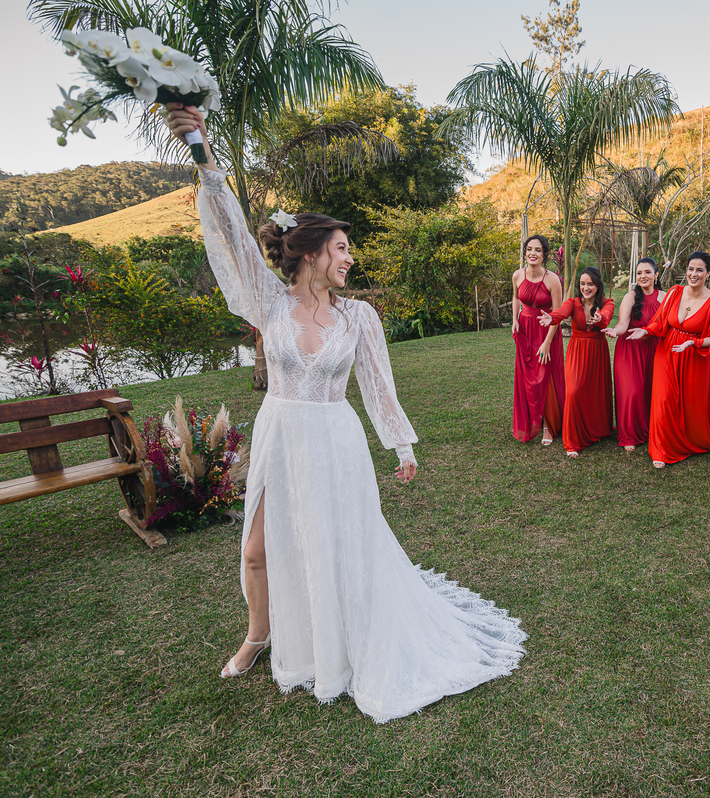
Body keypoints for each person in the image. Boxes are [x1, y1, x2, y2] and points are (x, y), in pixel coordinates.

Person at [164, 105, 526, 723]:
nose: (350, 258)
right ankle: (259, 634)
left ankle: (344, 642)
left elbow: (378, 386)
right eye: (341, 248)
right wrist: (200, 145)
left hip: (335, 439)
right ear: (310, 254)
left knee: (337, 548)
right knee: (257, 550)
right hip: (281, 436)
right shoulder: (268, 301)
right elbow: (231, 231)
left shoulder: (358, 317)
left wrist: (401, 444)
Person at [625, 251, 710, 468]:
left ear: (708, 273)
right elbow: (660, 321)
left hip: (693, 359)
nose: (694, 274)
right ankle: (661, 450)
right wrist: (646, 331)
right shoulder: (674, 292)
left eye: (699, 270)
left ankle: (687, 440)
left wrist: (693, 343)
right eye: (690, 269)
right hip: (667, 352)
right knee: (663, 400)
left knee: (688, 405)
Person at [541, 266, 616, 456]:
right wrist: (551, 317)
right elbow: (562, 312)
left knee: (595, 391)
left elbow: (606, 317)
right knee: (574, 391)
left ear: (598, 285)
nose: (586, 288)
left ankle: (596, 429)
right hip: (577, 351)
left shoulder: (607, 303)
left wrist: (599, 318)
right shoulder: (573, 302)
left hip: (598, 351)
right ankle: (573, 441)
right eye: (582, 284)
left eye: (590, 284)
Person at [604, 258, 666, 452]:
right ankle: (629, 434)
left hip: (655, 349)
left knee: (651, 391)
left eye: (647, 272)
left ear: (656, 275)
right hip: (630, 349)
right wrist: (615, 330)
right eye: (639, 273)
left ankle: (650, 428)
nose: (643, 276)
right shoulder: (630, 297)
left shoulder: (665, 297)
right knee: (632, 392)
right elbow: (623, 323)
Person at [511, 235, 565, 445]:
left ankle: (548, 426)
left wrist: (547, 342)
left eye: (538, 250)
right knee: (527, 377)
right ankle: (529, 420)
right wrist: (515, 319)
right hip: (525, 331)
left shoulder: (552, 280)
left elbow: (558, 314)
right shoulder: (517, 275)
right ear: (525, 252)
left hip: (547, 331)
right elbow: (516, 297)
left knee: (546, 377)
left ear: (544, 255)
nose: (532, 253)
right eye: (529, 249)